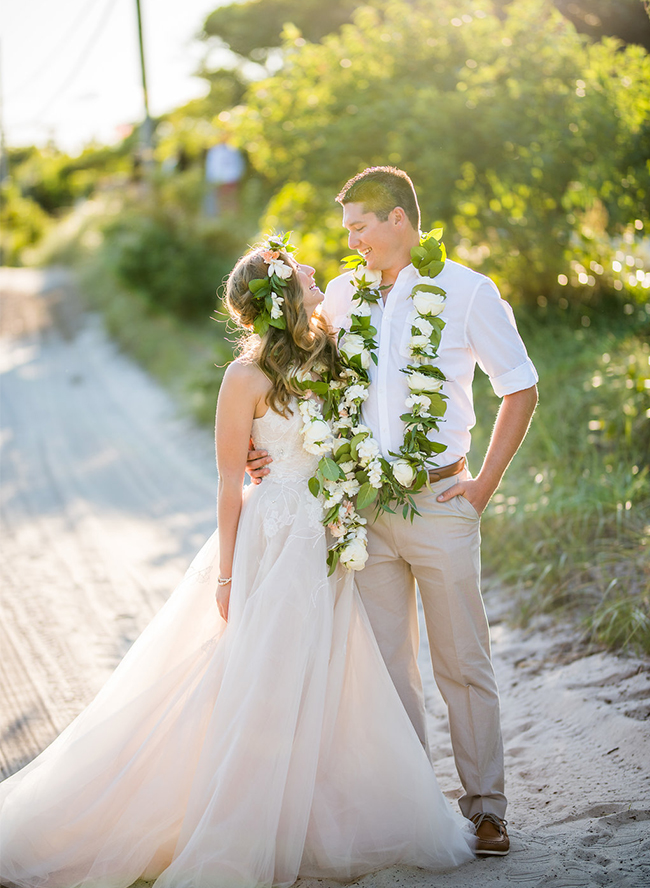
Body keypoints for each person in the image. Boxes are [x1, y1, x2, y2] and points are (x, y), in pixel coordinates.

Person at [0, 241, 475, 888]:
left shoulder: (331, 355)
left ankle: (314, 818)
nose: (314, 274)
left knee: (328, 675)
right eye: (303, 272)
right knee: (265, 677)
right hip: (274, 538)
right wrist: (226, 574)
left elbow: (368, 416)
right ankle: (239, 822)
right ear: (283, 295)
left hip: (331, 535)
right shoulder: (243, 379)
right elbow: (229, 482)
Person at [248, 167, 539, 857]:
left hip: (442, 499)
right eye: (347, 229)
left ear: (398, 219)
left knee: (462, 659)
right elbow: (300, 370)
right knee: (386, 666)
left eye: (359, 227)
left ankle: (487, 808)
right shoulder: (345, 294)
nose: (351, 240)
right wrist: (270, 442)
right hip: (364, 506)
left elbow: (520, 386)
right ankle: (420, 813)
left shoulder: (467, 291)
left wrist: (484, 484)